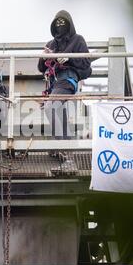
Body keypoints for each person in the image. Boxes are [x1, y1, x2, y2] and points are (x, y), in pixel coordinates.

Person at [38, 10, 92, 172]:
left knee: (51, 107)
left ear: (69, 24)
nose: (60, 26)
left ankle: (61, 147)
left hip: (67, 81)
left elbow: (85, 62)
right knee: (59, 114)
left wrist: (69, 58)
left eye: (63, 23)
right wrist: (44, 56)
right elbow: (41, 68)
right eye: (57, 24)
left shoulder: (77, 40)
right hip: (55, 84)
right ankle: (69, 157)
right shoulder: (51, 43)